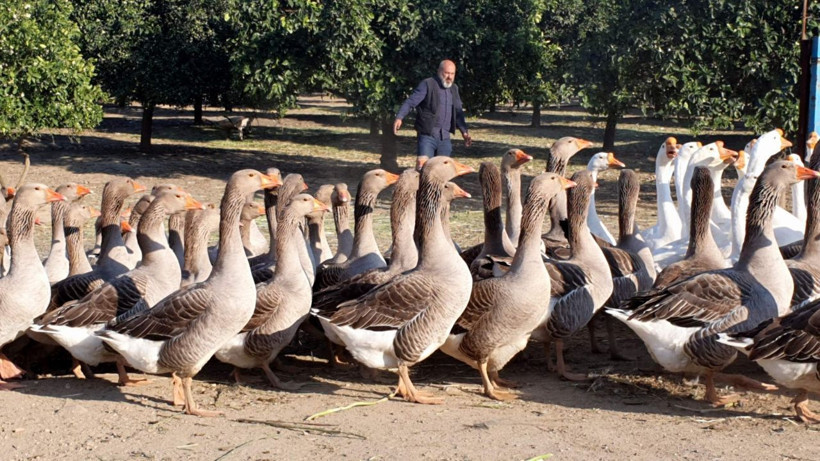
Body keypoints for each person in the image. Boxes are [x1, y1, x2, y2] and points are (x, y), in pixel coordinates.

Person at [393, 60, 472, 160]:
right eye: (447, 73)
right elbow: (411, 102)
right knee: (424, 169)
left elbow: (458, 112)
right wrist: (399, 117)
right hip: (427, 137)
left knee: (443, 172)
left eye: (452, 74)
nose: (450, 77)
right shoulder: (427, 84)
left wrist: (464, 132)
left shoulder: (454, 89)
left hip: (445, 139)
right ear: (439, 71)